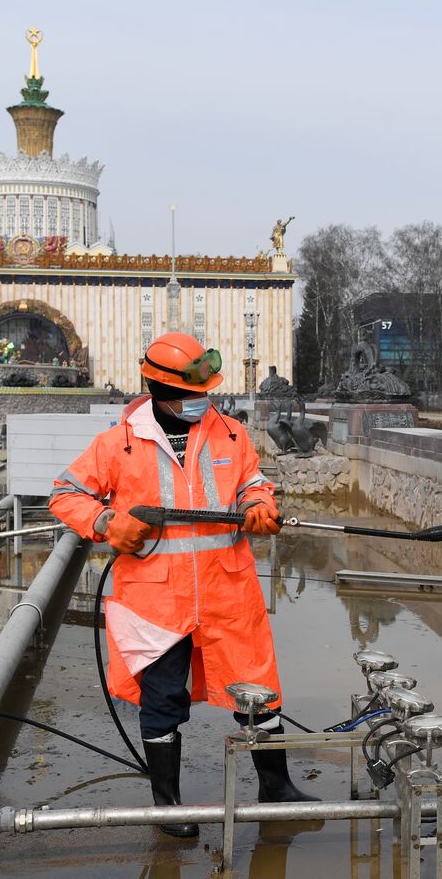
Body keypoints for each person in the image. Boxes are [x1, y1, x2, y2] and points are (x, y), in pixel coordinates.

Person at [48, 332, 316, 838]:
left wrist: (260, 504)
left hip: (228, 592)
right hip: (154, 600)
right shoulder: (118, 443)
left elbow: (253, 482)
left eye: (205, 392)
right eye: (191, 395)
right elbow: (65, 494)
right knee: (163, 698)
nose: (201, 402)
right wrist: (107, 523)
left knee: (259, 690)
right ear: (157, 389)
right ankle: (167, 803)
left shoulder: (231, 434)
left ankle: (276, 788)